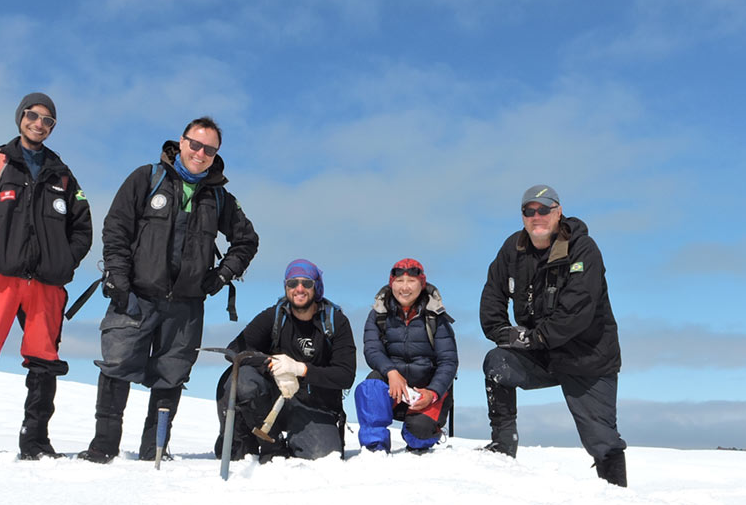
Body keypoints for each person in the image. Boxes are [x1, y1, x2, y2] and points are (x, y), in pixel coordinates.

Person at [78, 116, 259, 463]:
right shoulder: (147, 178)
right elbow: (116, 226)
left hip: (186, 306)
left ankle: (154, 450)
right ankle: (103, 446)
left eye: (209, 149)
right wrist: (117, 272)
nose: (200, 153)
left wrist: (222, 275)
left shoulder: (219, 197)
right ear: (181, 142)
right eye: (195, 144)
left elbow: (246, 240)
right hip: (135, 296)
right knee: (117, 365)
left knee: (171, 375)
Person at [0, 92, 93, 459]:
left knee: (44, 361)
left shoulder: (64, 175)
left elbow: (82, 228)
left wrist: (63, 263)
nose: (39, 124)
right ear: (20, 117)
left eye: (47, 120)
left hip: (46, 284)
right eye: (33, 116)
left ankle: (35, 441)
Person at [480, 184, 627, 486]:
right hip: (541, 354)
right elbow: (492, 295)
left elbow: (577, 311)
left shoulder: (583, 250)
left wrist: (534, 339)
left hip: (587, 357)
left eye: (544, 209)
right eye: (529, 211)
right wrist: (504, 334)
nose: (537, 216)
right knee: (498, 363)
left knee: (602, 440)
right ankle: (502, 449)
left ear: (558, 212)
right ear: (522, 217)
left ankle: (617, 498)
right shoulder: (513, 249)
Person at [215, 259, 356, 461]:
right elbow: (236, 349)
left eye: (307, 283)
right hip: (271, 402)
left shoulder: (336, 322)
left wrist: (301, 370)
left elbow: (345, 376)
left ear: (317, 287)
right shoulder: (274, 315)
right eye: (292, 283)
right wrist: (271, 365)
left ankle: (295, 440)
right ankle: (271, 444)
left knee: (322, 456)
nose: (299, 288)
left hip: (313, 405)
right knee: (242, 378)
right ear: (286, 287)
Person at [354, 259, 458, 453]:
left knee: (419, 436)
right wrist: (391, 372)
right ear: (391, 283)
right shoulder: (378, 314)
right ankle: (374, 447)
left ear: (422, 283)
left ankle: (426, 429)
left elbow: (449, 361)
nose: (405, 287)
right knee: (370, 387)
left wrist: (433, 393)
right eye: (399, 281)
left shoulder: (436, 316)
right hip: (393, 386)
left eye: (411, 281)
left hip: (426, 389)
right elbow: (372, 350)